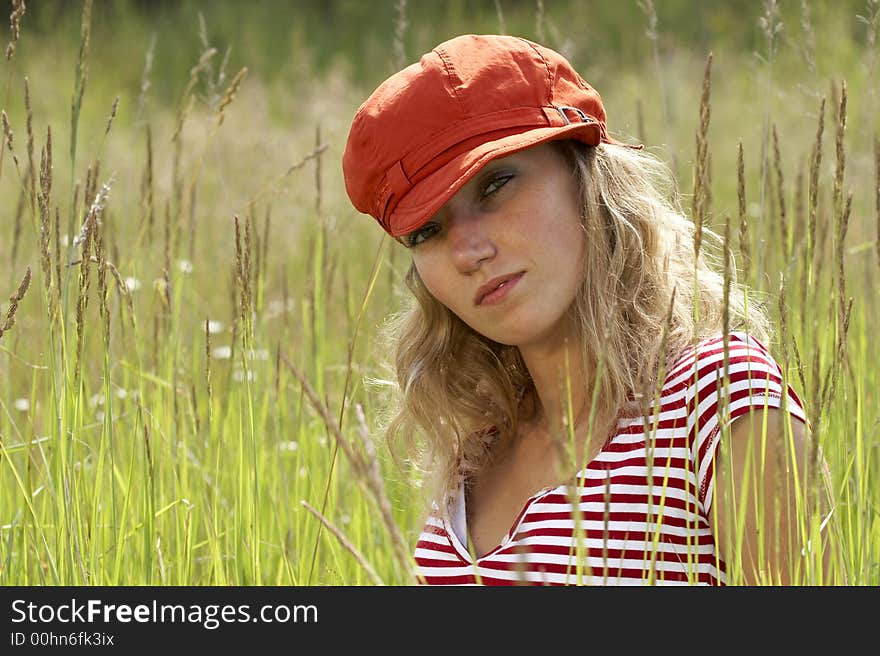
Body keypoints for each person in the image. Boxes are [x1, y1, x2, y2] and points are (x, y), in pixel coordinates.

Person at [342, 34, 830, 585]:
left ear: (586, 178)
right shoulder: (476, 449)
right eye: (427, 230)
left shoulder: (715, 400)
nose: (467, 251)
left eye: (495, 185)